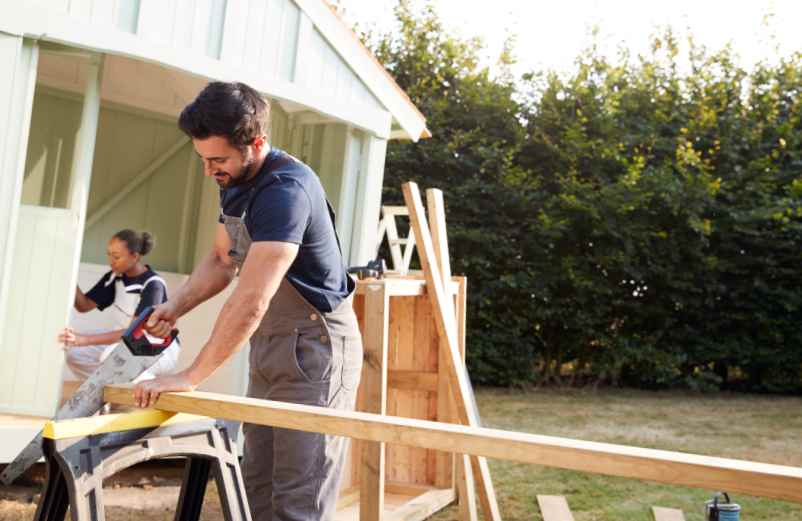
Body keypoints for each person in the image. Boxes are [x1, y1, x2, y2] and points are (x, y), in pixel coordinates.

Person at [132, 81, 363, 521]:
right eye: (203, 159)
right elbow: (223, 259)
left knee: (299, 497)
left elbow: (252, 300)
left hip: (316, 349)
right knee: (256, 485)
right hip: (272, 345)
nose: (209, 171)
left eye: (217, 160)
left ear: (256, 143)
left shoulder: (285, 191)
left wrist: (192, 375)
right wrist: (174, 306)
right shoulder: (235, 179)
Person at [58, 229, 180, 381]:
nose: (111, 261)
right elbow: (83, 305)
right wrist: (69, 274)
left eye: (116, 256)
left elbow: (134, 332)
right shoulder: (114, 277)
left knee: (111, 355)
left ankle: (146, 385)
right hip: (125, 343)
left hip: (160, 348)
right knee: (74, 352)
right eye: (109, 255)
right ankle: (104, 391)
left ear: (134, 256)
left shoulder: (153, 284)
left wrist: (84, 339)